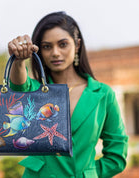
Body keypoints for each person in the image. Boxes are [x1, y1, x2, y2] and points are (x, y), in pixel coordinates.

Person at [8, 11, 128, 178]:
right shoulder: (34, 90)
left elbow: (117, 157)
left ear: (77, 45)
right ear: (39, 50)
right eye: (47, 46)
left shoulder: (102, 94)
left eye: (63, 44)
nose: (55, 52)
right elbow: (18, 87)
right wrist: (18, 60)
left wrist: (88, 173)